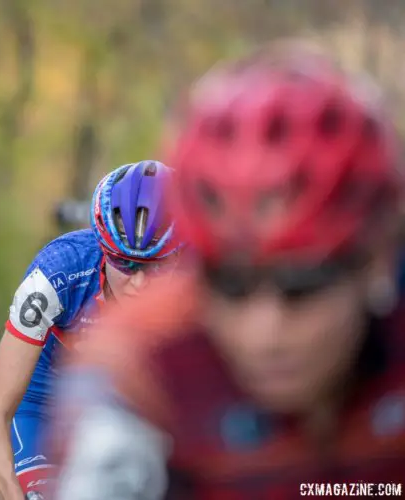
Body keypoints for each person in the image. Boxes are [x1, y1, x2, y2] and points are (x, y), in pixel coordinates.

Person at [51, 42, 405, 499]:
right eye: (229, 285)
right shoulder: (141, 365)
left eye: (303, 286)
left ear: (375, 261)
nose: (265, 333)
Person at [0, 161, 185, 500]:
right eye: (124, 263)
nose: (139, 283)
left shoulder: (199, 284)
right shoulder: (56, 275)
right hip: (42, 402)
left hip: (136, 407)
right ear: (102, 248)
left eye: (156, 266)